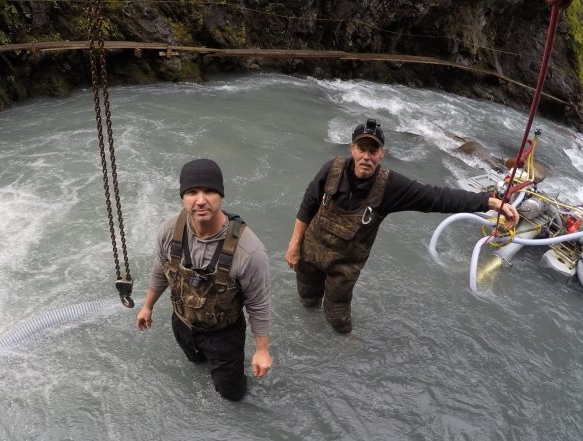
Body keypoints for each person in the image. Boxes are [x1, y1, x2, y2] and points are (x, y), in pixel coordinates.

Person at [285, 118, 520, 334]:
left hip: (343, 268)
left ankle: (345, 348)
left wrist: (488, 202)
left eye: (373, 150)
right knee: (307, 299)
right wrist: (294, 246)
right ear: (352, 149)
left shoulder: (390, 187)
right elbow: (308, 204)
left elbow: (436, 197)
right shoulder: (331, 169)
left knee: (337, 319)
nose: (366, 156)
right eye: (361, 149)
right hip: (310, 253)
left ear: (382, 154)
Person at [137, 158, 272, 401]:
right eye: (192, 192)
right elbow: (160, 270)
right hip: (183, 323)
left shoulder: (249, 250)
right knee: (195, 363)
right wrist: (148, 306)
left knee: (232, 395)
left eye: (209, 191)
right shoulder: (169, 232)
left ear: (221, 194)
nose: (200, 200)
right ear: (182, 197)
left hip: (224, 334)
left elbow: (258, 304)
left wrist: (262, 350)